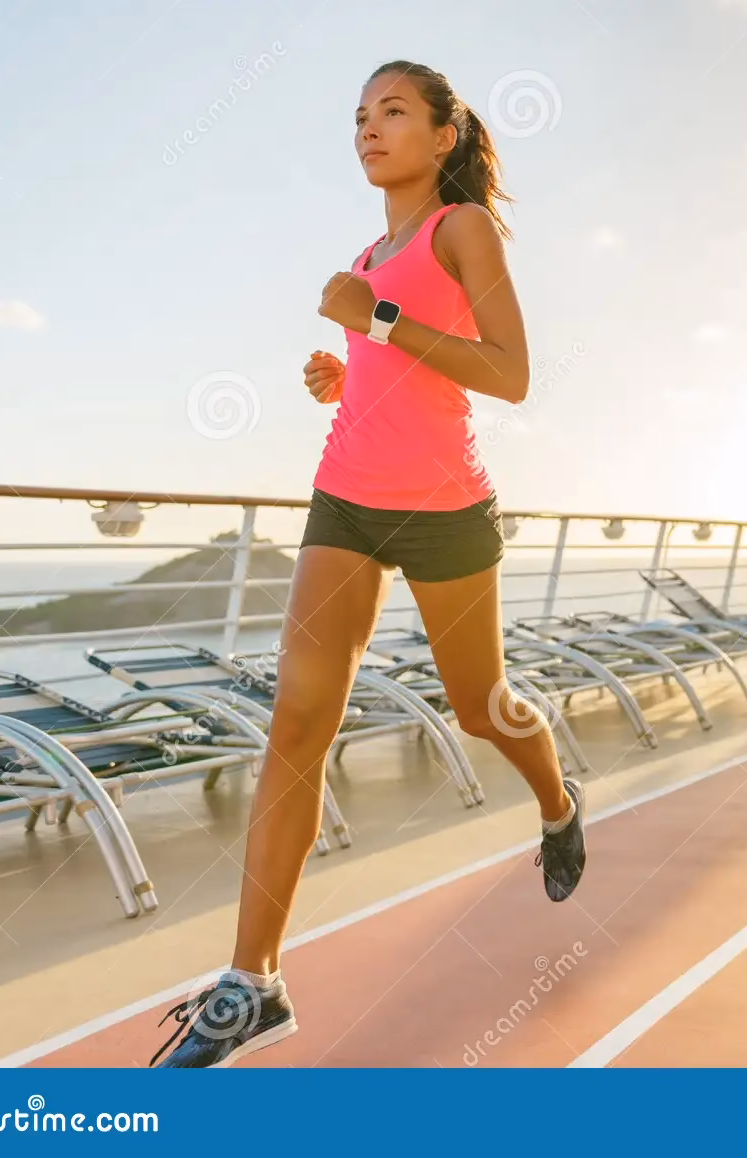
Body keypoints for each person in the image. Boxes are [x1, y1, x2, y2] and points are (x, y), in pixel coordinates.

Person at [149, 61, 586, 1069]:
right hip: (345, 497)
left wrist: (378, 321)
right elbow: (398, 366)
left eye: (392, 112)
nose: (368, 128)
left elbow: (511, 375)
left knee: (481, 707)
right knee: (298, 718)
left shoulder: (459, 227)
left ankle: (557, 802)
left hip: (443, 513)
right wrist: (346, 373)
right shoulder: (370, 248)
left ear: (443, 136)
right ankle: (250, 984)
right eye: (358, 116)